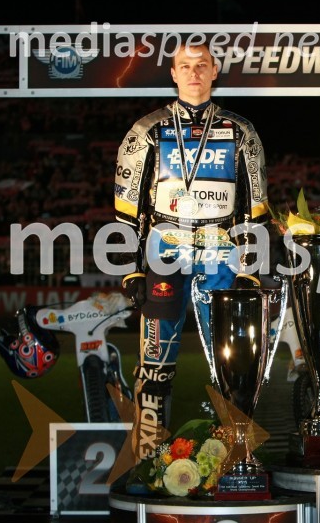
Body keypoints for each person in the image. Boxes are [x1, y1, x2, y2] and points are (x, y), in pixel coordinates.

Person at [114, 41, 268, 483]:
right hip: (163, 252)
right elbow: (127, 209)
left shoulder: (241, 131)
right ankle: (148, 461)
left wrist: (249, 269)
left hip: (222, 252)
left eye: (202, 65)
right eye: (186, 65)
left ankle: (234, 462)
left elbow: (254, 208)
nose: (194, 72)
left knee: (232, 366)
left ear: (215, 71)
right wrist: (130, 266)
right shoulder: (147, 129)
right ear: (174, 73)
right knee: (155, 364)